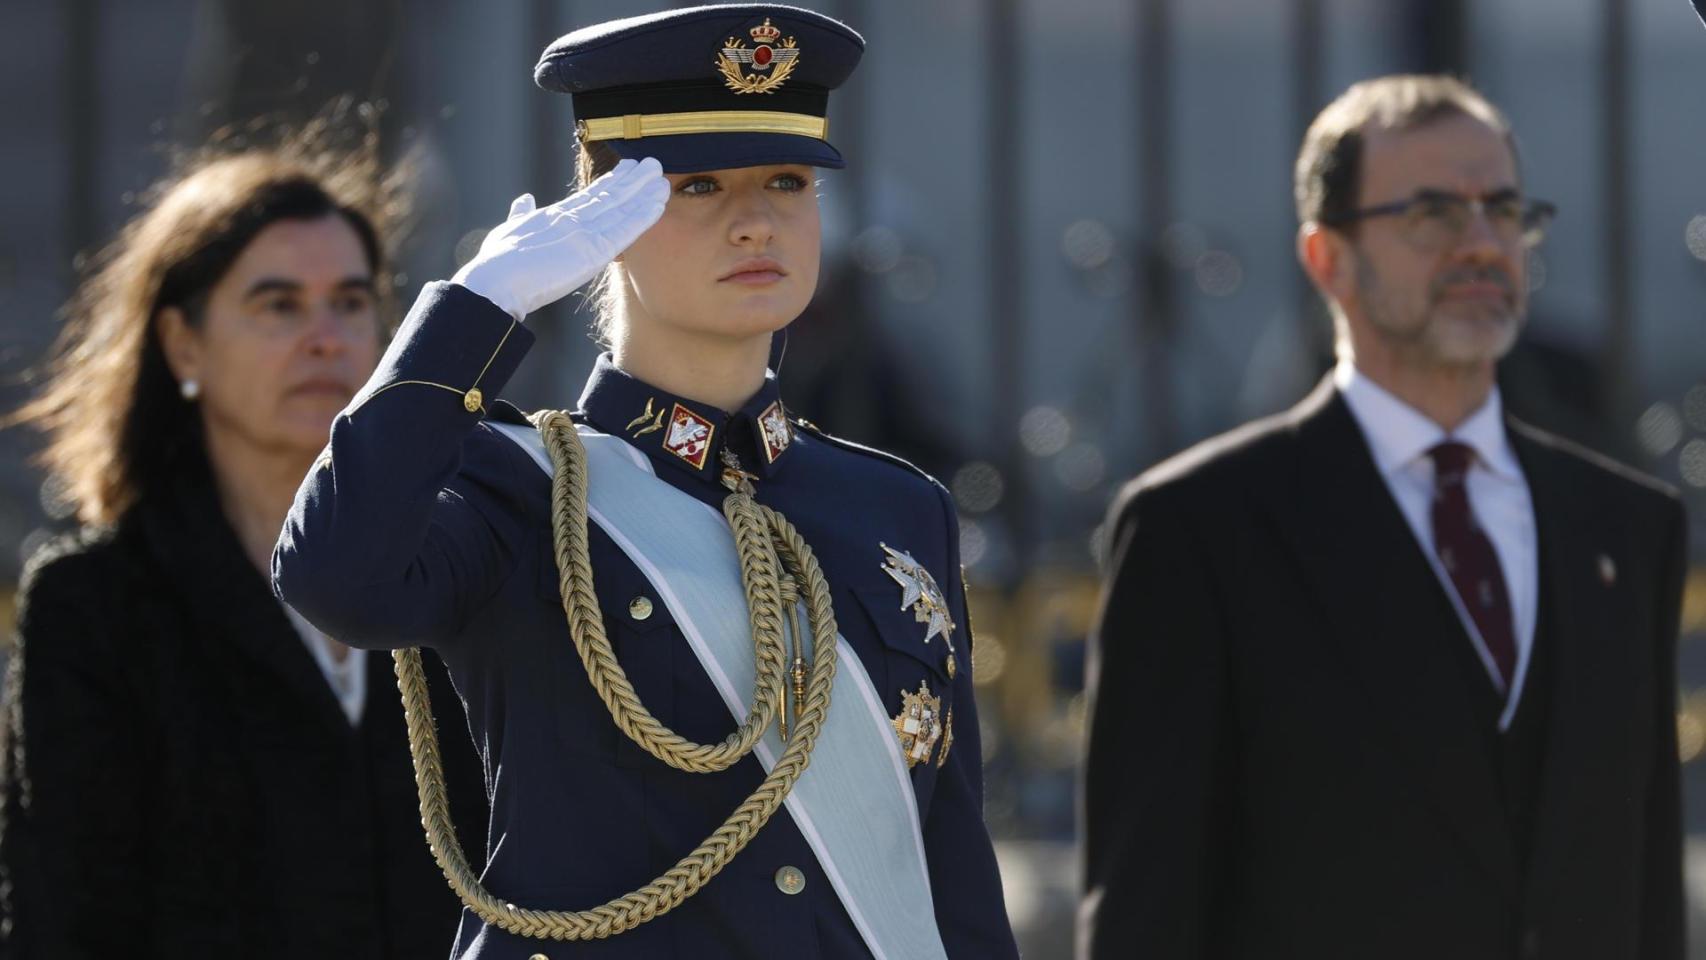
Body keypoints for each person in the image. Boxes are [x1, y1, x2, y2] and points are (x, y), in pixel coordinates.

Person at [272, 6, 1018, 960]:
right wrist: (475, 309)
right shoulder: (513, 483)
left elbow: (950, 872)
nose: (756, 221)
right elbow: (335, 578)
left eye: (788, 182)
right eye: (698, 186)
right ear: (604, 215)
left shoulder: (899, 505)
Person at [1080, 74, 1685, 960]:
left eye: (1504, 210)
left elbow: (1646, 894)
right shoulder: (1197, 527)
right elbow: (1145, 908)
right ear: (1328, 257)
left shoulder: (1626, 526)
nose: (1481, 244)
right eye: (1432, 213)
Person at [2, 132, 487, 959]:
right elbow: (66, 922)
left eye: (350, 301)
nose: (325, 337)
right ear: (183, 344)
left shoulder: (463, 571)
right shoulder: (97, 608)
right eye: (278, 305)